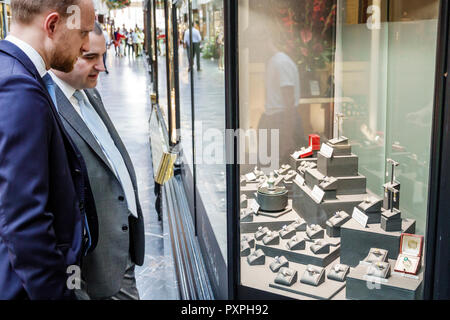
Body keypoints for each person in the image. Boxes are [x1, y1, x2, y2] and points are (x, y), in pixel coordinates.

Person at [0, 0, 98, 300]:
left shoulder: (10, 69)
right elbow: (24, 219)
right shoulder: (19, 87)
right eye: (83, 33)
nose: (84, 46)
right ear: (53, 25)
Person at [51, 22, 145, 300]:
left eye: (103, 56)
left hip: (120, 251)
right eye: (90, 57)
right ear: (61, 51)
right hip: (92, 269)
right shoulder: (46, 106)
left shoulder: (88, 92)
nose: (102, 67)